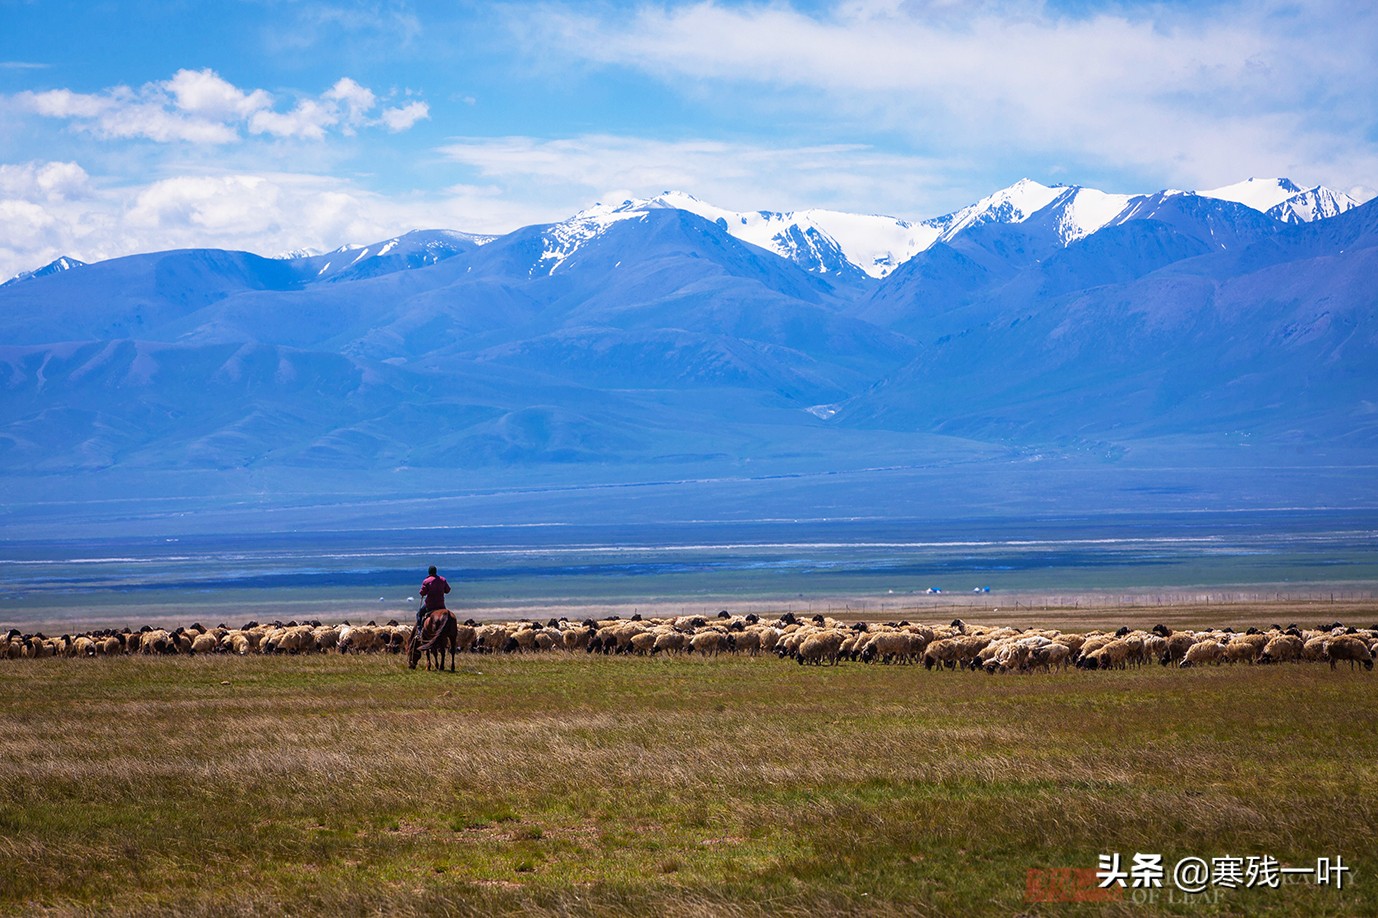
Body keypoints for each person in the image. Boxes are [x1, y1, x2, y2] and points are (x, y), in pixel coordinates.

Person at [417, 565, 451, 630]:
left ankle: (419, 631)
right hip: (441, 605)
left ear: (429, 572)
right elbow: (448, 590)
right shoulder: (443, 580)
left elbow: (422, 593)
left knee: (419, 614)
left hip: (430, 605)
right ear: (436, 572)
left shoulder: (426, 581)